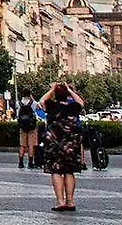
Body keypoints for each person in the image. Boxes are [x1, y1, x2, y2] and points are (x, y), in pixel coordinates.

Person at [38, 82, 88, 212]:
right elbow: (81, 103)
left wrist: (52, 89)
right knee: (69, 172)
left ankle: (60, 201)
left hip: (53, 144)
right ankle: (70, 201)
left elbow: (41, 101)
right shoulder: (73, 107)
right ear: (67, 95)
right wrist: (70, 90)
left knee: (56, 172)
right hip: (70, 144)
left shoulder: (51, 105)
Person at [17, 93, 40, 170]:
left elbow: (18, 114)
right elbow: (39, 106)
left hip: (22, 126)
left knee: (22, 145)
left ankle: (20, 162)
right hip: (32, 126)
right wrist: (32, 98)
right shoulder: (33, 103)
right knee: (31, 145)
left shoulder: (18, 103)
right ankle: (30, 162)